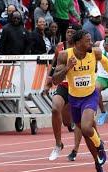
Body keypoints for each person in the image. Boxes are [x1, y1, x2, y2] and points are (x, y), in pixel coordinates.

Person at [52, 30, 108, 172]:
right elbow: (55, 80)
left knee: (86, 127)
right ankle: (97, 162)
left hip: (90, 96)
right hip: (74, 99)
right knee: (86, 135)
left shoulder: (95, 52)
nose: (91, 43)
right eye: (87, 41)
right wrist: (67, 68)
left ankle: (100, 147)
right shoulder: (65, 55)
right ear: (77, 44)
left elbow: (106, 62)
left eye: (91, 40)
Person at [45, 24, 83, 161]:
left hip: (79, 86)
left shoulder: (83, 48)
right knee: (55, 108)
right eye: (68, 31)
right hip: (64, 85)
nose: (70, 34)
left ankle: (90, 144)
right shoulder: (60, 47)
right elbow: (53, 66)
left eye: (73, 32)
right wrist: (48, 83)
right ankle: (58, 144)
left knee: (74, 122)